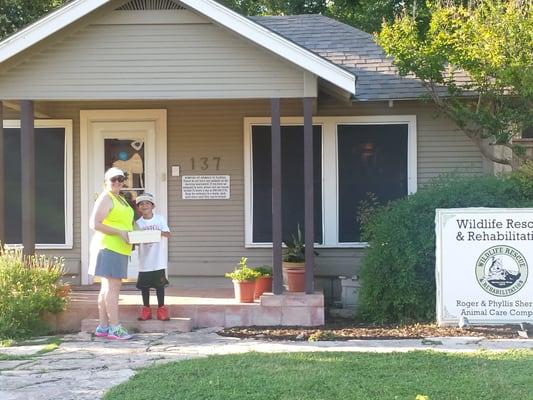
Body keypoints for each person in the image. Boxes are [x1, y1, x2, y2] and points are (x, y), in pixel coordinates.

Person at [89, 167, 134, 340]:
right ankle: (115, 328)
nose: (117, 182)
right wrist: (119, 233)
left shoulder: (120, 198)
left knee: (106, 288)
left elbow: (126, 223)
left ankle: (103, 327)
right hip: (109, 247)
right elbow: (94, 224)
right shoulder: (106, 197)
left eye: (120, 179)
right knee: (113, 288)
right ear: (106, 182)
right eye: (113, 179)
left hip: (119, 248)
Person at [134, 192, 171, 321]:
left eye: (147, 203)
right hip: (145, 261)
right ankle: (146, 310)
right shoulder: (137, 223)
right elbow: (136, 242)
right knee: (144, 287)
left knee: (160, 286)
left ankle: (161, 309)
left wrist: (156, 233)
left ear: (152, 206)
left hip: (158, 260)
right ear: (138, 208)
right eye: (141, 204)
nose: (144, 206)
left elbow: (167, 234)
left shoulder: (160, 219)